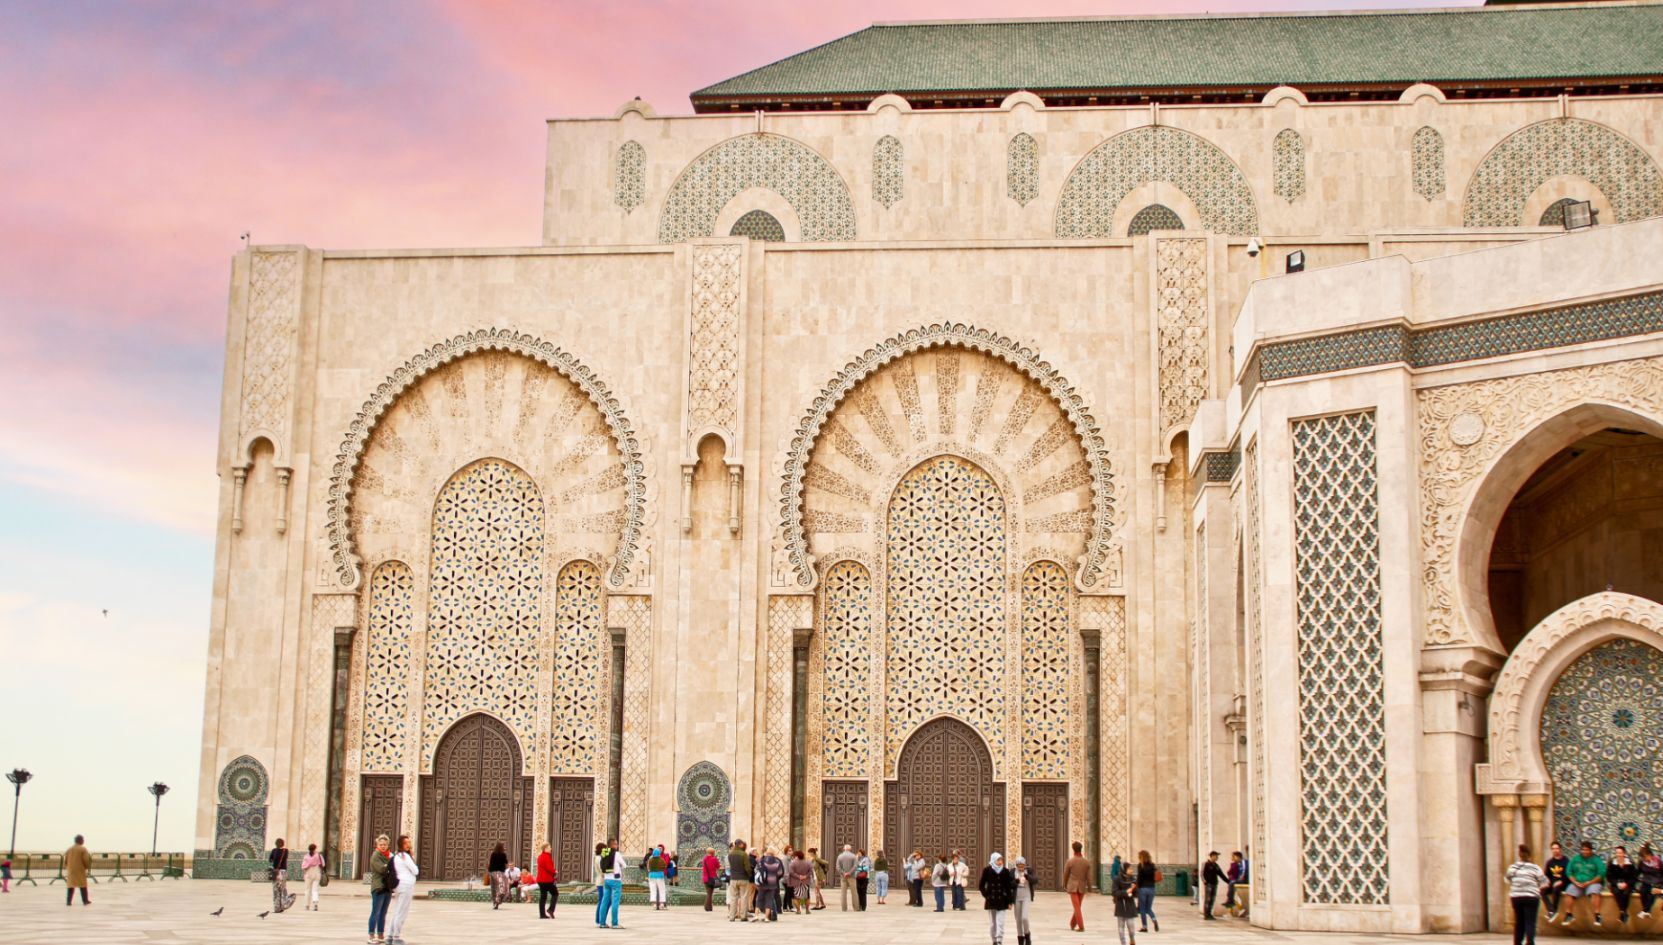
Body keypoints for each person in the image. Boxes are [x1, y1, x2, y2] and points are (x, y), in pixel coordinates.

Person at [1505, 843, 1547, 945]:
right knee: (1530, 921)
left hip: (1516, 897)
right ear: (1529, 855)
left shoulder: (1513, 867)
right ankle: (1530, 942)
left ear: (1519, 854)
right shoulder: (1535, 868)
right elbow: (1544, 882)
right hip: (1531, 897)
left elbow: (1507, 879)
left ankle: (1517, 942)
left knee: (1519, 921)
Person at [1563, 840, 1605, 926]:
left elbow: (1601, 873)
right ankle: (1569, 914)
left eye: (1587, 850)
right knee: (1568, 892)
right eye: (1583, 850)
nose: (1585, 852)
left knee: (1594, 892)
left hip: (1592, 882)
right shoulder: (1575, 859)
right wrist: (1575, 882)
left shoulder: (1596, 859)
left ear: (1591, 850)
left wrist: (1589, 882)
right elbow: (1568, 871)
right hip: (1578, 883)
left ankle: (1597, 915)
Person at [979, 852, 1017, 945]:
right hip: (991, 900)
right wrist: (986, 895)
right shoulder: (987, 870)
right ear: (994, 860)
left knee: (1000, 922)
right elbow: (981, 885)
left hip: (1002, 900)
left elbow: (1008, 887)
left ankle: (999, 940)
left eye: (1001, 860)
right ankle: (994, 940)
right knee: (993, 923)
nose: (1000, 862)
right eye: (998, 860)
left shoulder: (1005, 871)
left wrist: (1010, 901)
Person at [388, 835, 418, 945]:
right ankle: (396, 937)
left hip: (399, 885)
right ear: (401, 844)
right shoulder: (405, 856)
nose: (409, 845)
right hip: (406, 886)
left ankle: (390, 936)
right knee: (401, 912)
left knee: (397, 911)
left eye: (409, 843)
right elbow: (415, 871)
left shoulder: (397, 856)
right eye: (406, 843)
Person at [367, 834, 392, 944]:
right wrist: (390, 865)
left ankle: (381, 935)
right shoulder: (375, 856)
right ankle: (371, 936)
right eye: (381, 844)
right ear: (377, 845)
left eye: (385, 845)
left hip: (387, 887)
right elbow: (382, 870)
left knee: (383, 912)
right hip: (378, 887)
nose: (383, 846)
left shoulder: (388, 855)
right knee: (375, 912)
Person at [597, 837, 627, 928]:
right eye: (616, 844)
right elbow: (624, 865)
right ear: (613, 845)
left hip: (606, 880)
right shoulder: (616, 854)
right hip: (616, 880)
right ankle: (614, 923)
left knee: (604, 901)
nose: (617, 846)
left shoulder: (604, 852)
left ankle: (602, 923)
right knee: (615, 902)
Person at [1064, 840, 1092, 932]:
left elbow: (1066, 875)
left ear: (1073, 850)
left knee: (1077, 907)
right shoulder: (1086, 862)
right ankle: (1072, 924)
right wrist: (1090, 888)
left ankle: (1081, 926)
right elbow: (1089, 877)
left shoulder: (1070, 861)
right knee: (1078, 906)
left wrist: (1064, 885)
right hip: (1082, 887)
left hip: (1072, 887)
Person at [1011, 855, 1039, 945]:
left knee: (1024, 918)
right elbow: (1008, 884)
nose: (1021, 868)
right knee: (1018, 919)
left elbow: (1035, 880)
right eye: (1019, 866)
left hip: (1026, 897)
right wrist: (1016, 881)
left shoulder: (1029, 871)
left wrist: (1027, 876)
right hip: (1016, 898)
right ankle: (1020, 938)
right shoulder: (1012, 872)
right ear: (1016, 865)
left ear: (1025, 865)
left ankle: (1027, 935)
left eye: (1022, 865)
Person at [1609, 846, 1638, 923]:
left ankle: (1622, 912)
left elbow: (1634, 877)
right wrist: (1616, 883)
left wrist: (1627, 884)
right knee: (1617, 892)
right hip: (1616, 884)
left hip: (1628, 884)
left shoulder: (1630, 864)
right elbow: (1609, 877)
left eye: (1620, 853)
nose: (1618, 854)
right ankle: (1624, 912)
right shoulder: (1612, 863)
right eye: (1617, 853)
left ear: (1624, 853)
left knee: (1626, 893)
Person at [755, 845, 785, 921]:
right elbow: (780, 872)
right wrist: (775, 877)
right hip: (773, 883)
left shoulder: (762, 860)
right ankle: (768, 917)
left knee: (760, 899)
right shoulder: (778, 861)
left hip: (763, 882)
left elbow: (757, 870)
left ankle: (756, 916)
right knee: (770, 899)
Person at [1112, 865, 1139, 945]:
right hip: (1120, 905)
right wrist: (1126, 892)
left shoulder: (1133, 879)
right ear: (1124, 870)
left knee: (1131, 926)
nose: (1131, 870)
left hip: (1130, 905)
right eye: (1129, 869)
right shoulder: (1117, 879)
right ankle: (1123, 943)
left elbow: (1136, 894)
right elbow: (1114, 892)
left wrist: (1133, 891)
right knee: (1121, 927)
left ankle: (1132, 938)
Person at [728, 839, 754, 921]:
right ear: (740, 844)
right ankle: (743, 916)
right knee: (744, 897)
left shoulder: (730, 854)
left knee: (733, 898)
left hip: (733, 879)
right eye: (742, 844)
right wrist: (749, 874)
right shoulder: (744, 854)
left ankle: (732, 916)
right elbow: (747, 867)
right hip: (743, 878)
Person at [268, 838, 296, 914]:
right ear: (283, 844)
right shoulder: (285, 851)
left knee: (275, 891)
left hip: (275, 872)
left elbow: (270, 860)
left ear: (276, 844)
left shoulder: (274, 851)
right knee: (283, 889)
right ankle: (284, 905)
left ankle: (277, 908)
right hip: (283, 872)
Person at [1134, 850, 1159, 933]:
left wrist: (1137, 889)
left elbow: (1139, 878)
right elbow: (1155, 878)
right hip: (1152, 888)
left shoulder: (1140, 866)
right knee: (1149, 908)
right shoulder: (1152, 866)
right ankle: (1154, 919)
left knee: (1142, 909)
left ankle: (1144, 927)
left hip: (1143, 889)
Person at [64, 834, 92, 906]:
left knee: (71, 886)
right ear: (80, 840)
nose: (83, 841)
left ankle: (68, 901)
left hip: (71, 870)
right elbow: (86, 860)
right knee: (83, 886)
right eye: (83, 840)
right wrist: (87, 867)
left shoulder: (69, 849)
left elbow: (66, 860)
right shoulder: (83, 849)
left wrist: (68, 866)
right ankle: (85, 900)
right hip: (80, 869)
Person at [1637, 843, 1663, 920]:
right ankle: (1647, 911)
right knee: (1642, 891)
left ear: (1650, 855)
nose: (1644, 859)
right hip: (1646, 881)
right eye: (1642, 858)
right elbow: (1637, 872)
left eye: (1645, 857)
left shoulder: (1658, 861)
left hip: (1657, 882)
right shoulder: (1642, 862)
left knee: (1652, 892)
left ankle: (1645, 910)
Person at [536, 843, 559, 919]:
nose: (551, 849)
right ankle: (551, 909)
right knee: (555, 893)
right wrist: (555, 871)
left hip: (540, 880)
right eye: (549, 847)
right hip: (547, 880)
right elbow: (549, 868)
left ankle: (542, 914)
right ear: (545, 848)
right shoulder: (547, 857)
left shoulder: (540, 857)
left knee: (543, 897)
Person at [789, 849, 814, 915]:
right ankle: (807, 910)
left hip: (796, 882)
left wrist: (798, 876)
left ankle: (798, 910)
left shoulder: (793, 863)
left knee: (795, 897)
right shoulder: (808, 862)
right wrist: (806, 876)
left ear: (797, 856)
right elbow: (811, 871)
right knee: (807, 896)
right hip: (806, 881)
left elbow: (791, 872)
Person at [301, 843, 326, 911]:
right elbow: (323, 864)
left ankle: (306, 905)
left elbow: (303, 866)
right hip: (316, 872)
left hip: (308, 873)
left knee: (307, 890)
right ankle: (315, 904)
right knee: (315, 890)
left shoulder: (306, 856)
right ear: (315, 849)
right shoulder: (318, 856)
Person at [1200, 851, 1223, 920]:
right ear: (1212, 856)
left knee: (1212, 899)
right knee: (1208, 899)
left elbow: (1221, 874)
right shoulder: (1206, 864)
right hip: (1209, 884)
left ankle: (1209, 913)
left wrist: (1228, 881)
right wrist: (1205, 882)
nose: (1217, 857)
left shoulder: (1216, 865)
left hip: (1214, 884)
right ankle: (1206, 914)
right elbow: (1202, 874)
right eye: (1216, 856)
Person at [487, 843, 510, 909]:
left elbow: (490, 863)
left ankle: (494, 902)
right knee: (501, 887)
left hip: (492, 873)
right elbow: (506, 862)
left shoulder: (493, 854)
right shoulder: (503, 854)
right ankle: (497, 901)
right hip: (499, 873)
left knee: (493, 888)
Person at [836, 844, 858, 911]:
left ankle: (844, 908)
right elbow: (855, 866)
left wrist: (844, 873)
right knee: (854, 892)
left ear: (844, 849)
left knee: (843, 893)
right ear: (850, 849)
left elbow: (838, 867)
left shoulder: (840, 856)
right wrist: (849, 873)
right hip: (852, 877)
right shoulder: (853, 856)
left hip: (843, 877)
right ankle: (856, 908)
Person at [647, 846, 668, 910]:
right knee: (662, 890)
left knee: (653, 890)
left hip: (652, 876)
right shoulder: (661, 860)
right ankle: (661, 904)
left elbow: (648, 867)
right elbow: (664, 866)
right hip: (660, 876)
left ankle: (654, 904)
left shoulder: (650, 860)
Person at [701, 846, 722, 912]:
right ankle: (707, 907)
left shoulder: (704, 859)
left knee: (708, 892)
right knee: (710, 893)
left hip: (705, 878)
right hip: (712, 878)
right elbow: (718, 866)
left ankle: (708, 906)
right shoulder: (714, 859)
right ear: (713, 852)